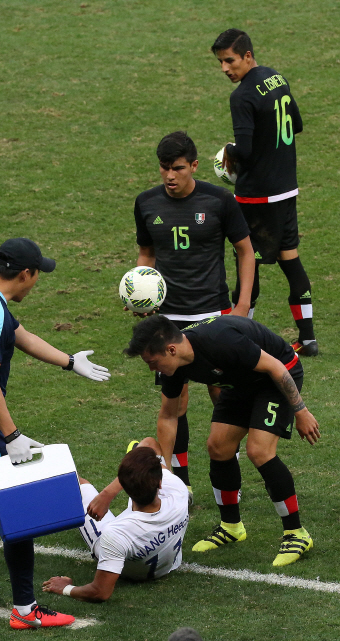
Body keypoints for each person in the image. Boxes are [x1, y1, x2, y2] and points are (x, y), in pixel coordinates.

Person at [0, 237, 110, 630]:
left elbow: (22, 336)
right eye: (37, 276)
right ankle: (25, 610)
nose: (36, 283)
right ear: (25, 274)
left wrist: (69, 362)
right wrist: (12, 434)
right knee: (19, 506)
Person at [124, 314, 320, 567]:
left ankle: (296, 534)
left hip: (276, 376)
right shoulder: (174, 366)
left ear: (171, 349)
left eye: (152, 362)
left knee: (259, 450)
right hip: (239, 382)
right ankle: (231, 527)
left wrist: (300, 411)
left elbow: (275, 368)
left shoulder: (220, 340)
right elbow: (169, 416)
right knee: (218, 447)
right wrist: (166, 469)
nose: (152, 369)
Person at [132, 131, 254, 498]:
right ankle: (179, 482)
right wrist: (141, 293)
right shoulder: (146, 203)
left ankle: (227, 473)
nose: (170, 176)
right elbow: (146, 254)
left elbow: (246, 252)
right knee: (175, 401)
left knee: (224, 394)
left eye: (178, 168)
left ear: (195, 166)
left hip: (215, 315)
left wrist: (243, 305)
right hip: (168, 320)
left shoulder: (219, 200)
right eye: (164, 168)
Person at [211, 29, 317, 356]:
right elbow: (295, 125)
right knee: (290, 259)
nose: (225, 68)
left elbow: (242, 148)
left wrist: (229, 148)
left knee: (248, 260)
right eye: (220, 63)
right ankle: (308, 338)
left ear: (247, 56)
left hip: (257, 196)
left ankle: (244, 337)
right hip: (287, 190)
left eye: (230, 61)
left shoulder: (241, 96)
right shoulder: (276, 78)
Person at [42, 439, 188, 603]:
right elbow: (150, 443)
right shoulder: (178, 490)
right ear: (160, 483)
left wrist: (65, 588)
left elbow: (100, 592)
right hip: (169, 563)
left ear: (124, 488)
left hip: (132, 569)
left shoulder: (116, 534)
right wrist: (108, 492)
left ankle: (42, 463)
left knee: (76, 485)